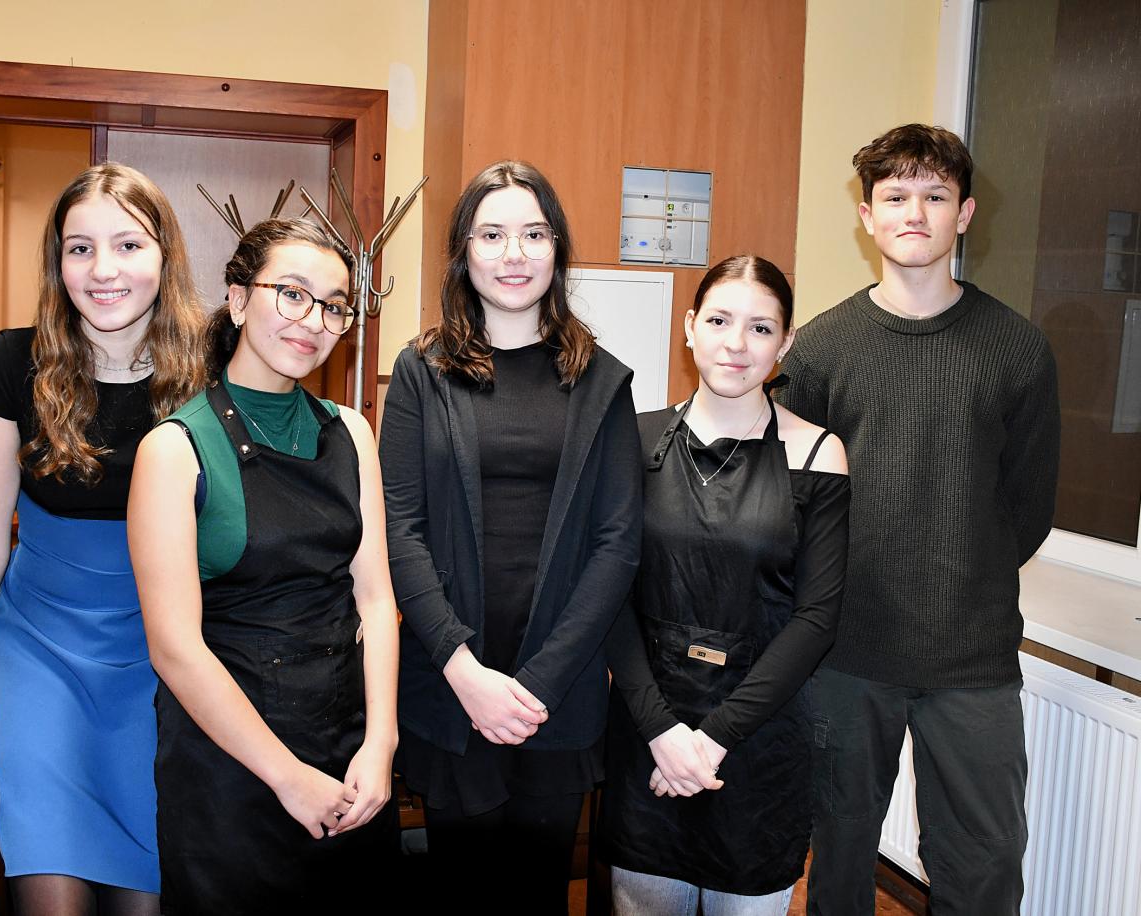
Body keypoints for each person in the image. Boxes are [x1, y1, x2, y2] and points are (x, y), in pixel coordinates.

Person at [778, 124, 1060, 916]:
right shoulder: (819, 351)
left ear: (963, 214)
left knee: (985, 864)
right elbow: (792, 506)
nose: (915, 212)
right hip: (846, 650)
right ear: (867, 216)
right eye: (896, 196)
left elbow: (1030, 508)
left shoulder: (1017, 350)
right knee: (837, 858)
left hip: (972, 657)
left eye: (935, 196)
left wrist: (961, 574)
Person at [0, 162, 206, 915]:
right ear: (58, 262)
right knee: (53, 894)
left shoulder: (214, 370)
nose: (103, 269)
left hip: (165, 656)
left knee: (145, 900)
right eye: (80, 248)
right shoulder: (9, 366)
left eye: (128, 245)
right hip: (38, 651)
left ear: (166, 255)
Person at [379, 160, 642, 914]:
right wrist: (463, 670)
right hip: (450, 687)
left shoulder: (603, 381)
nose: (514, 253)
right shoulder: (422, 372)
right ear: (463, 250)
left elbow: (618, 543)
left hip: (558, 696)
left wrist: (539, 685)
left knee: (537, 898)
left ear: (558, 249)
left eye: (534, 234)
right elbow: (401, 530)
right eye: (491, 235)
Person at [127, 217, 400, 913]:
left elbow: (374, 599)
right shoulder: (174, 448)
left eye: (334, 305)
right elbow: (174, 648)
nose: (313, 321)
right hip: (230, 764)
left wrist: (381, 744)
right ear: (239, 299)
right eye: (293, 294)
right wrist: (287, 777)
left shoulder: (352, 432)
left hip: (347, 749)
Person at [598, 255, 850, 915]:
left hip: (757, 744)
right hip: (648, 738)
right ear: (689, 327)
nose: (737, 344)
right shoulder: (631, 439)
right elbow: (609, 597)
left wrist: (710, 741)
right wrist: (662, 732)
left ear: (785, 343)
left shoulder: (819, 453)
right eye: (718, 320)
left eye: (760, 328)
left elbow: (816, 619)